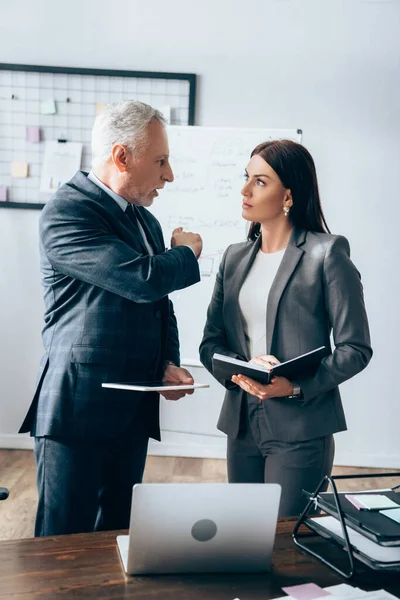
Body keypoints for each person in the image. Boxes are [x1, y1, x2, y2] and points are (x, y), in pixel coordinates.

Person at [19, 100, 203, 536]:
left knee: (117, 537)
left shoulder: (146, 221)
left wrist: (167, 363)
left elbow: (158, 303)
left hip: (132, 408)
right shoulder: (67, 212)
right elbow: (142, 280)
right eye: (160, 161)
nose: (169, 175)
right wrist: (186, 253)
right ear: (122, 157)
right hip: (77, 410)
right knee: (62, 544)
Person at [199, 139, 372, 517]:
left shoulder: (327, 254)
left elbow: (355, 349)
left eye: (260, 181)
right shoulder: (233, 257)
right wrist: (240, 374)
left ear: (288, 195)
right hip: (242, 424)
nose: (245, 190)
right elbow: (211, 343)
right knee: (243, 537)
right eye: (246, 178)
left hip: (301, 429)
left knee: (288, 543)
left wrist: (293, 386)